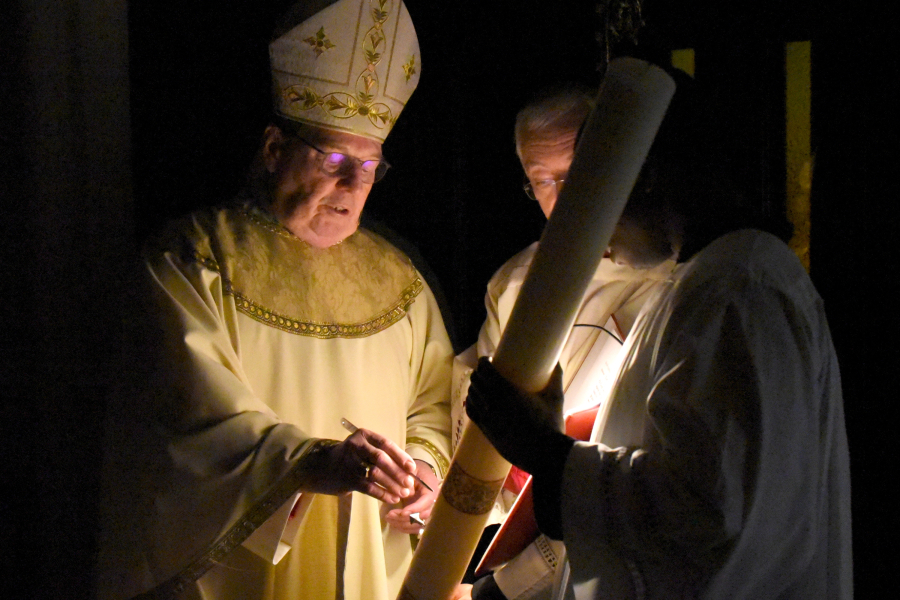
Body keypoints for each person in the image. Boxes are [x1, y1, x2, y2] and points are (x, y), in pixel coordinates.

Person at [95, 2, 452, 599]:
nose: (353, 186)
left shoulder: (401, 282)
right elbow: (185, 432)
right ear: (273, 149)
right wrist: (312, 464)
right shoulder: (191, 261)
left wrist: (419, 469)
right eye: (335, 160)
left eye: (369, 167)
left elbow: (433, 407)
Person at [465, 59, 853, 599]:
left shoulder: (736, 287)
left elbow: (711, 509)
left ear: (643, 177)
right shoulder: (711, 279)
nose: (584, 222)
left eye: (589, 192)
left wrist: (547, 453)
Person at [451, 85, 675, 600]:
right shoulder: (514, 283)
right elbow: (478, 410)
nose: (561, 194)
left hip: (612, 535)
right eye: (541, 180)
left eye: (573, 172)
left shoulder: (666, 277)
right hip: (524, 526)